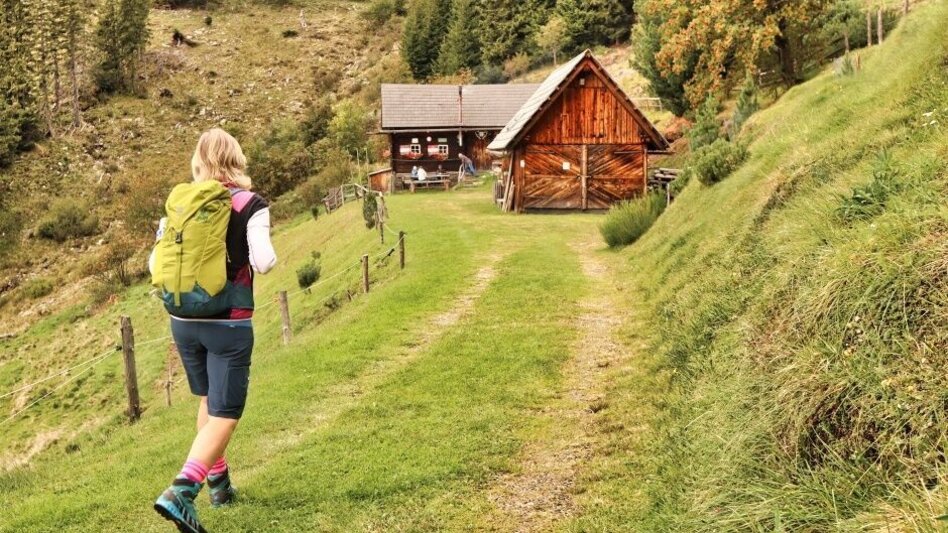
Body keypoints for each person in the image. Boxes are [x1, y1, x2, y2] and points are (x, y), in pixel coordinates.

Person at [151, 128, 277, 533]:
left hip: (183, 322)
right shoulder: (250, 204)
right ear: (236, 158)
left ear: (199, 161)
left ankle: (219, 484)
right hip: (228, 322)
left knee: (208, 401)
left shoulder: (180, 203)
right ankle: (183, 489)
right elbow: (265, 262)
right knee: (227, 412)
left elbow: (156, 264)